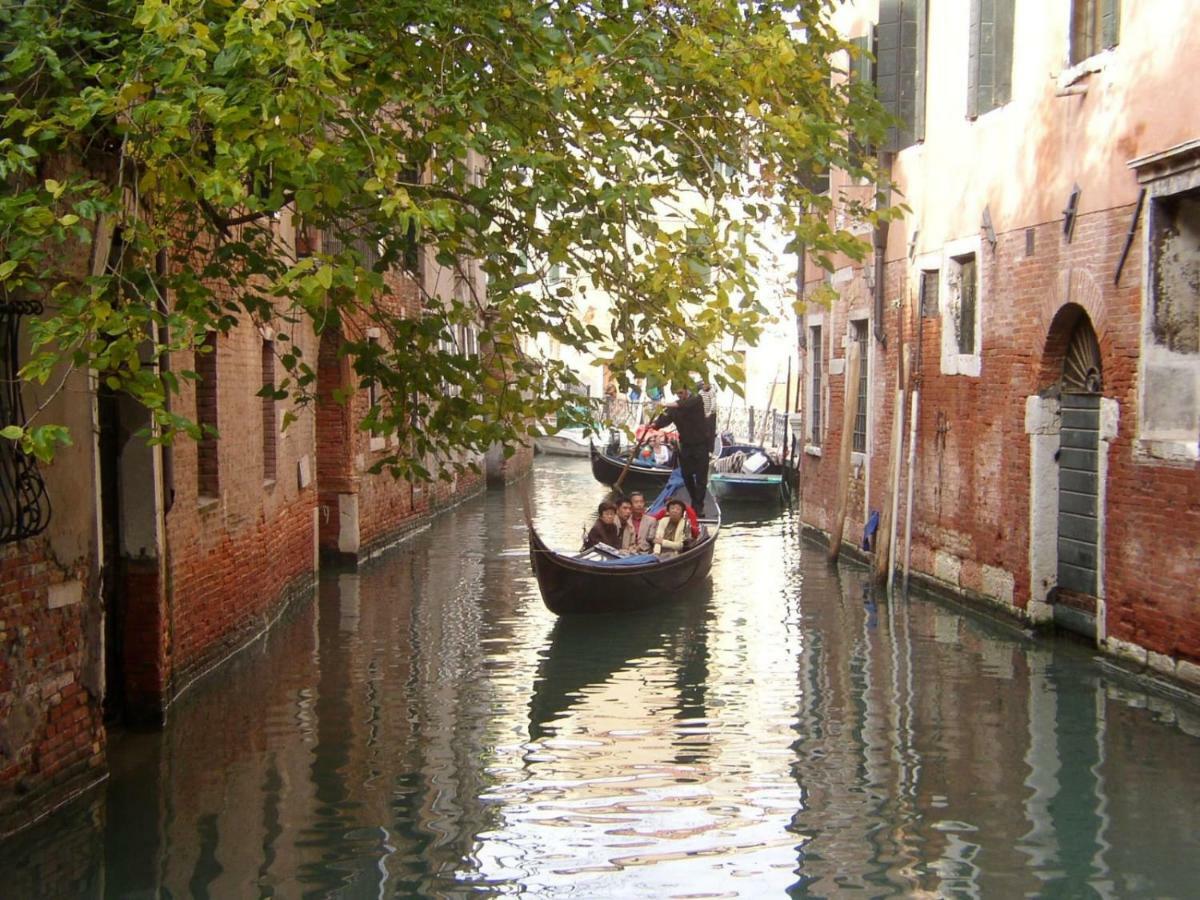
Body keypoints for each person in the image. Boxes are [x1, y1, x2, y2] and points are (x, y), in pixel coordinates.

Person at [650, 382, 710, 510]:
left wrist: (664, 404)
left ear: (687, 391)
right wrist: (654, 425)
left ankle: (698, 506)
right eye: (677, 393)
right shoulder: (674, 408)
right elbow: (664, 420)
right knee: (686, 475)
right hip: (686, 446)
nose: (680, 396)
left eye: (681, 393)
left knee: (701, 478)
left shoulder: (696, 400)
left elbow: (683, 404)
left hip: (701, 445)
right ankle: (695, 499)